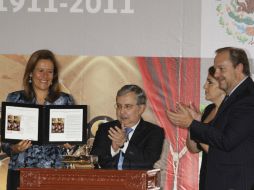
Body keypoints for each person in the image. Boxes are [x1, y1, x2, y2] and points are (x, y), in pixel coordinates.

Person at [167, 47, 254, 190]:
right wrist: (195, 121)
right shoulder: (233, 97)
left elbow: (226, 141)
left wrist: (192, 123)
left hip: (235, 182)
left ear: (239, 68)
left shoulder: (247, 97)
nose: (217, 74)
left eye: (221, 69)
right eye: (215, 69)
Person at [1, 49, 75, 190]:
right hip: (21, 172)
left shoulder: (65, 100)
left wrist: (70, 144)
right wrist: (14, 148)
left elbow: (74, 142)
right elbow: (5, 142)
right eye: (40, 70)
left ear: (54, 75)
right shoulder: (15, 99)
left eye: (50, 71)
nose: (45, 76)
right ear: (30, 73)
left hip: (55, 173)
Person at [90, 84, 164, 169]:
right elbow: (95, 162)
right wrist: (113, 149)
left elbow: (148, 162)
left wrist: (124, 145)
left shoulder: (154, 132)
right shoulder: (105, 129)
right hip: (108, 181)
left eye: (127, 106)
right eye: (119, 106)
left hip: (137, 181)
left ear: (141, 109)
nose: (121, 111)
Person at [185, 66, 225, 190]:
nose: (204, 86)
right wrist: (194, 123)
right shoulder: (208, 110)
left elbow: (222, 152)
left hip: (226, 179)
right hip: (207, 179)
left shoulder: (233, 113)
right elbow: (193, 148)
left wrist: (194, 125)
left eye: (210, 82)